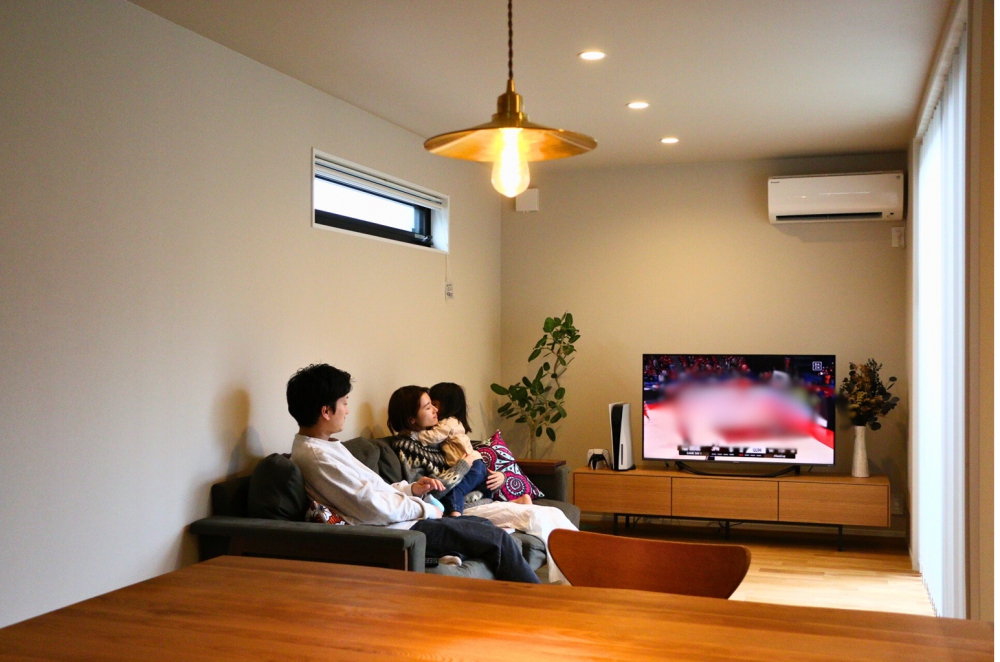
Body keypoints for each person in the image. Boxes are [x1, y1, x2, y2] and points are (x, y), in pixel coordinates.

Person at [286, 363, 540, 584]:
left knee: (482, 526)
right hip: (398, 531)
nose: (347, 410)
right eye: (344, 403)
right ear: (326, 411)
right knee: (497, 539)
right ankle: (543, 606)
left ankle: (495, 595)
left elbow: (374, 488)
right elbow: (372, 506)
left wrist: (410, 489)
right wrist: (424, 509)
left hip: (404, 522)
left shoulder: (326, 447)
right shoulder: (317, 456)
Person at [389, 383, 498, 516]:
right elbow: (425, 492)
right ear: (412, 419)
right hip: (454, 508)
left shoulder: (438, 438)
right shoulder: (408, 447)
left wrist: (499, 478)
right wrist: (461, 468)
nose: (435, 409)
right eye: (428, 407)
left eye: (434, 404)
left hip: (476, 500)